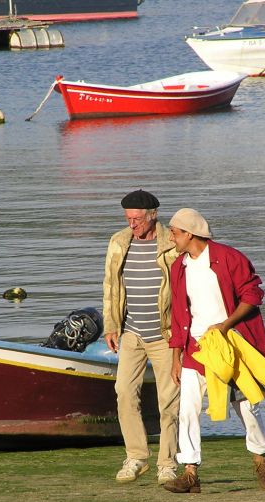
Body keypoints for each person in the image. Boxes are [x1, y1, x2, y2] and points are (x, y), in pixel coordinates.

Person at [164, 208, 265, 493]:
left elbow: (253, 296)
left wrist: (225, 325)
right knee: (187, 408)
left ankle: (261, 455)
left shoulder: (229, 258)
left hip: (233, 343)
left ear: (189, 233)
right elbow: (178, 315)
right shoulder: (178, 267)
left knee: (245, 406)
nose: (170, 237)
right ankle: (190, 472)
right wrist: (176, 357)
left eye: (174, 232)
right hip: (195, 348)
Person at [103, 189, 181, 485]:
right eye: (128, 219)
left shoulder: (172, 243)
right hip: (131, 332)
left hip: (165, 334)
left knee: (168, 400)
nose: (132, 224)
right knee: (124, 393)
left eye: (137, 219)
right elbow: (110, 286)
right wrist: (112, 325)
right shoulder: (119, 241)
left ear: (153, 215)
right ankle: (136, 457)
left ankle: (167, 463)